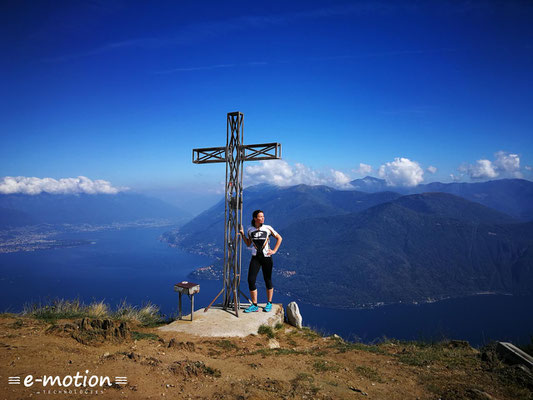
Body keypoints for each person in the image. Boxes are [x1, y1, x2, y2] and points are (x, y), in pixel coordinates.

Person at [239, 210, 282, 313]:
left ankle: (269, 303)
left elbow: (279, 238)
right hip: (255, 257)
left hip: (267, 257)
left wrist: (274, 251)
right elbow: (249, 244)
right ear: (255, 218)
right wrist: (242, 235)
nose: (263, 218)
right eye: (260, 217)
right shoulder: (250, 229)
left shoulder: (268, 228)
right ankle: (254, 305)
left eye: (263, 216)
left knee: (267, 279)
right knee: (251, 280)